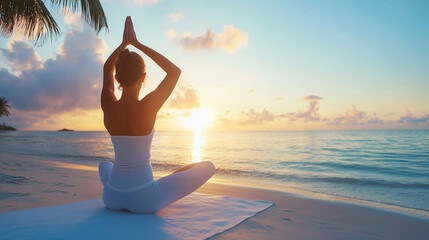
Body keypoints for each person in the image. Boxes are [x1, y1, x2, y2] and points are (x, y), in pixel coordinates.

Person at [98, 16, 215, 213]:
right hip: (144, 199)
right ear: (143, 77)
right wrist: (137, 44)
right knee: (208, 166)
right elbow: (174, 72)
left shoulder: (108, 105)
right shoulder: (148, 106)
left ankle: (137, 186)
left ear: (117, 78)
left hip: (111, 196)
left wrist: (122, 46)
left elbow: (106, 68)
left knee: (104, 165)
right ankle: (163, 184)